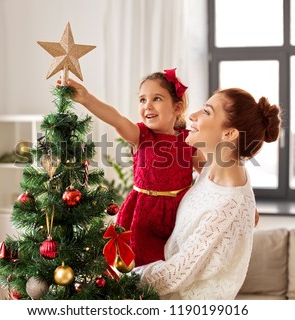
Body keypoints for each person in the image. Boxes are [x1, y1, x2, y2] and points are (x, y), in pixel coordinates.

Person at [133, 87, 281, 299]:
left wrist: (119, 279)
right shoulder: (216, 167)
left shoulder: (227, 204)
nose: (192, 116)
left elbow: (176, 273)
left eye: (207, 112)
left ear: (229, 134)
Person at [59, 69, 204, 266]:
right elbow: (116, 119)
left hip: (179, 215)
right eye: (142, 100)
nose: (148, 106)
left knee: (173, 266)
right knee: (139, 267)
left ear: (177, 107)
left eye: (157, 99)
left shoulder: (189, 140)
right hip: (142, 216)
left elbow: (209, 179)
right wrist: (87, 99)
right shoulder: (141, 135)